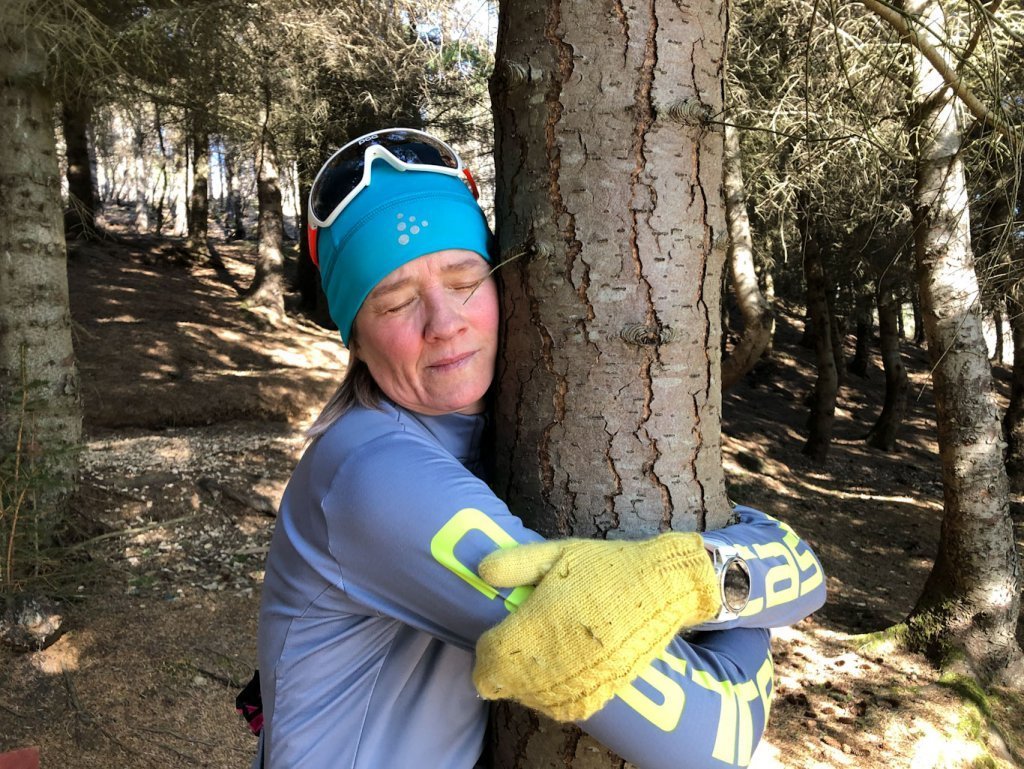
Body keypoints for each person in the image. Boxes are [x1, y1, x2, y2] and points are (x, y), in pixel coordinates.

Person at [251, 127, 826, 769]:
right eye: (395, 302)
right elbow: (716, 736)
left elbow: (812, 576)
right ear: (354, 337)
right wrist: (730, 595)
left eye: (464, 279)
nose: (445, 323)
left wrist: (689, 578)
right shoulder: (378, 478)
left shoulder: (470, 442)